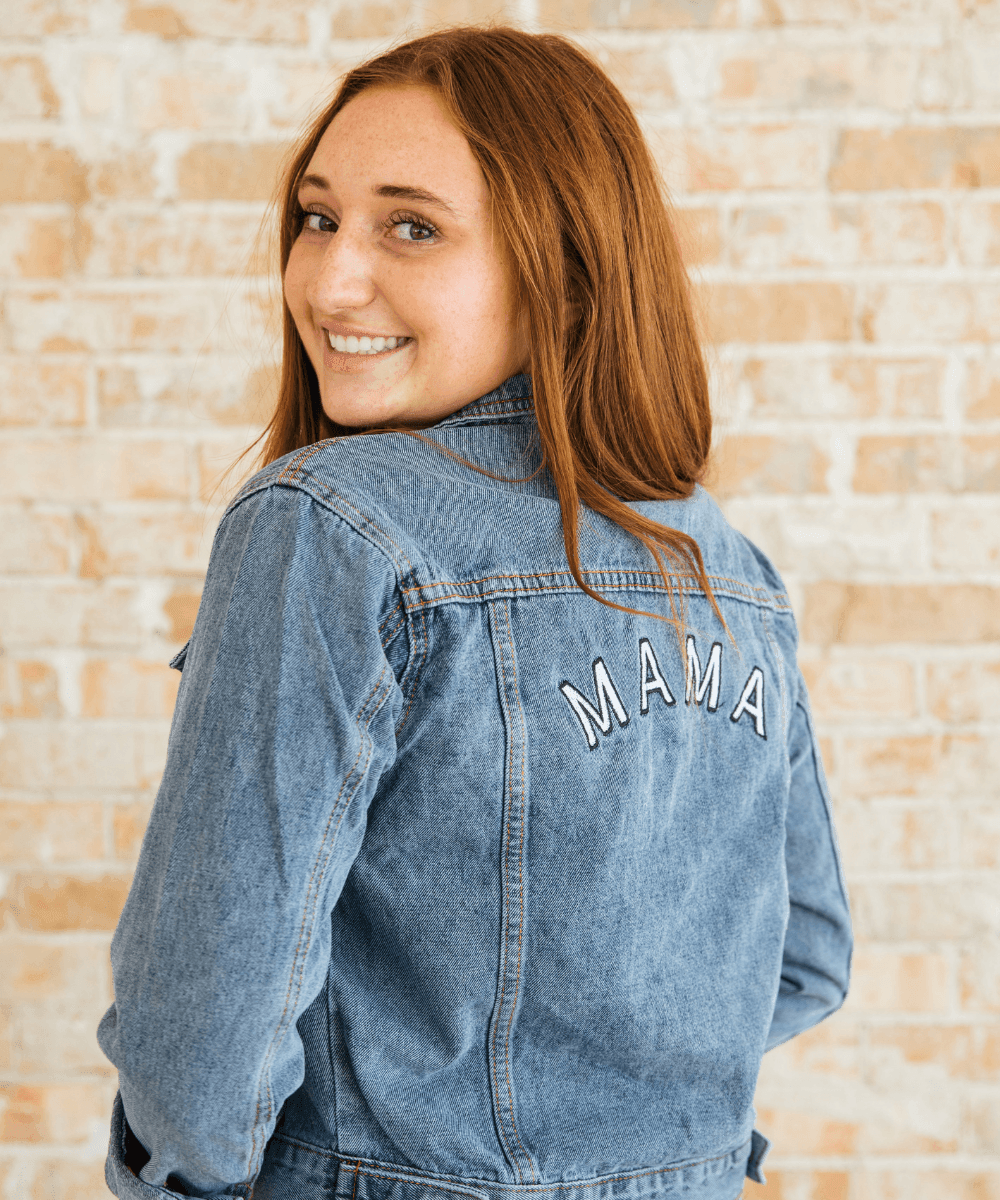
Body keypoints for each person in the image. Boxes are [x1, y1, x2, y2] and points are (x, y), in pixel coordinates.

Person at [98, 26, 852, 1200]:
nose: (328, 282)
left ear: (564, 269)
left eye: (412, 227)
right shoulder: (725, 566)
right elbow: (804, 954)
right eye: (317, 217)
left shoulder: (331, 522)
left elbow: (203, 1039)